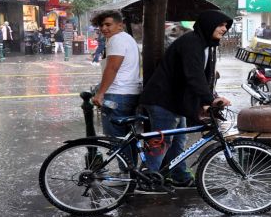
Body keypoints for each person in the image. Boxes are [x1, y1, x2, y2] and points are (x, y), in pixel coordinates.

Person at [140, 10, 233, 189]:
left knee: (179, 140)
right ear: (208, 23)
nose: (224, 29)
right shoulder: (192, 43)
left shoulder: (206, 44)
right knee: (162, 141)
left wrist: (209, 99)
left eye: (226, 26)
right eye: (220, 25)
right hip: (163, 99)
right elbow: (194, 75)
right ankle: (146, 180)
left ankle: (180, 176)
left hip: (175, 101)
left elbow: (204, 78)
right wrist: (209, 100)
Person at [90, 10, 142, 185]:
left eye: (108, 24)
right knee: (128, 139)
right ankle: (131, 173)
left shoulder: (117, 40)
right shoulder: (127, 39)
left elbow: (112, 68)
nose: (104, 28)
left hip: (117, 95)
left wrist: (100, 93)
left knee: (116, 139)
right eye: (101, 25)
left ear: (120, 25)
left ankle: (127, 176)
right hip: (130, 93)